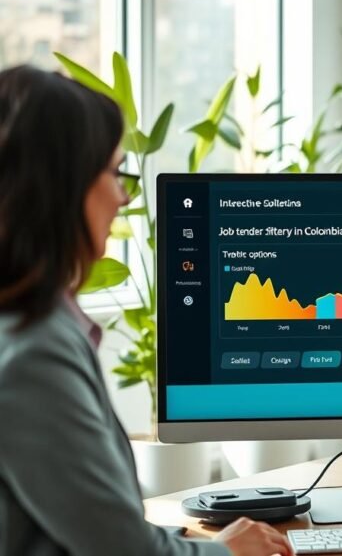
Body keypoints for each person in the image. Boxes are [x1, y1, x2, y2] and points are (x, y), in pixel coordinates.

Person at [0, 65, 293, 555]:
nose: (124, 195)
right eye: (113, 174)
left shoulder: (35, 326)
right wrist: (228, 552)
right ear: (63, 185)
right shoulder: (33, 352)